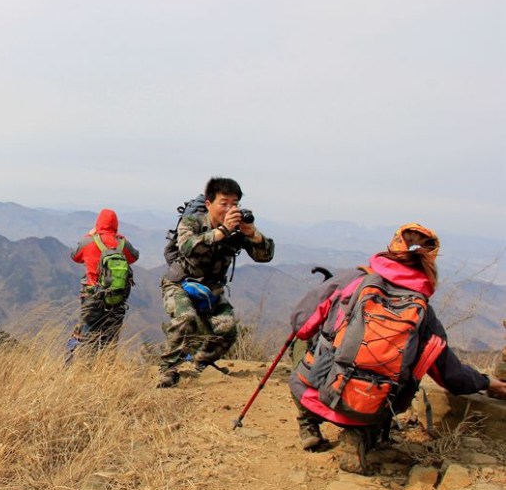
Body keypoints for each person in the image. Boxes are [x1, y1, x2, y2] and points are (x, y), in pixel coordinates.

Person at [287, 223, 506, 474]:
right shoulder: (424, 313)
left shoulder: (352, 280)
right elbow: (450, 374)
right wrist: (488, 382)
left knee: (304, 341)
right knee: (412, 367)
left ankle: (308, 423)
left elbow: (300, 324)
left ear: (391, 247)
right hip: (372, 408)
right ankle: (360, 436)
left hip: (317, 396)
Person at [157, 177, 274, 387]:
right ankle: (168, 370)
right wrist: (222, 232)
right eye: (224, 203)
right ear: (209, 204)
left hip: (211, 289)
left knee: (228, 330)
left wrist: (253, 235)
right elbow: (187, 247)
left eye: (235, 204)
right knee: (186, 318)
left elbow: (265, 256)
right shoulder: (193, 222)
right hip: (180, 283)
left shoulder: (238, 229)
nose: (230, 209)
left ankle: (198, 365)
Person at [65, 208, 139, 358]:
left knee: (86, 335)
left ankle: (81, 369)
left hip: (92, 297)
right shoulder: (122, 243)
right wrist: (118, 239)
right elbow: (134, 257)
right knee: (109, 341)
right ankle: (105, 372)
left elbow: (74, 256)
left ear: (98, 223)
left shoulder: (88, 241)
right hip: (116, 298)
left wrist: (89, 235)